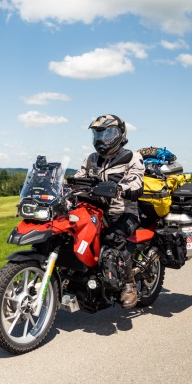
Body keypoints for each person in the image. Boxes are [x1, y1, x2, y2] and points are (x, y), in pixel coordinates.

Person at [74, 114, 144, 308]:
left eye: (107, 134)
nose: (101, 139)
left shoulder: (131, 157)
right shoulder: (91, 159)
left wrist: (121, 189)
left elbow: (136, 182)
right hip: (96, 212)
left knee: (113, 237)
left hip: (124, 212)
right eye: (98, 135)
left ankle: (129, 285)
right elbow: (78, 179)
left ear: (120, 134)